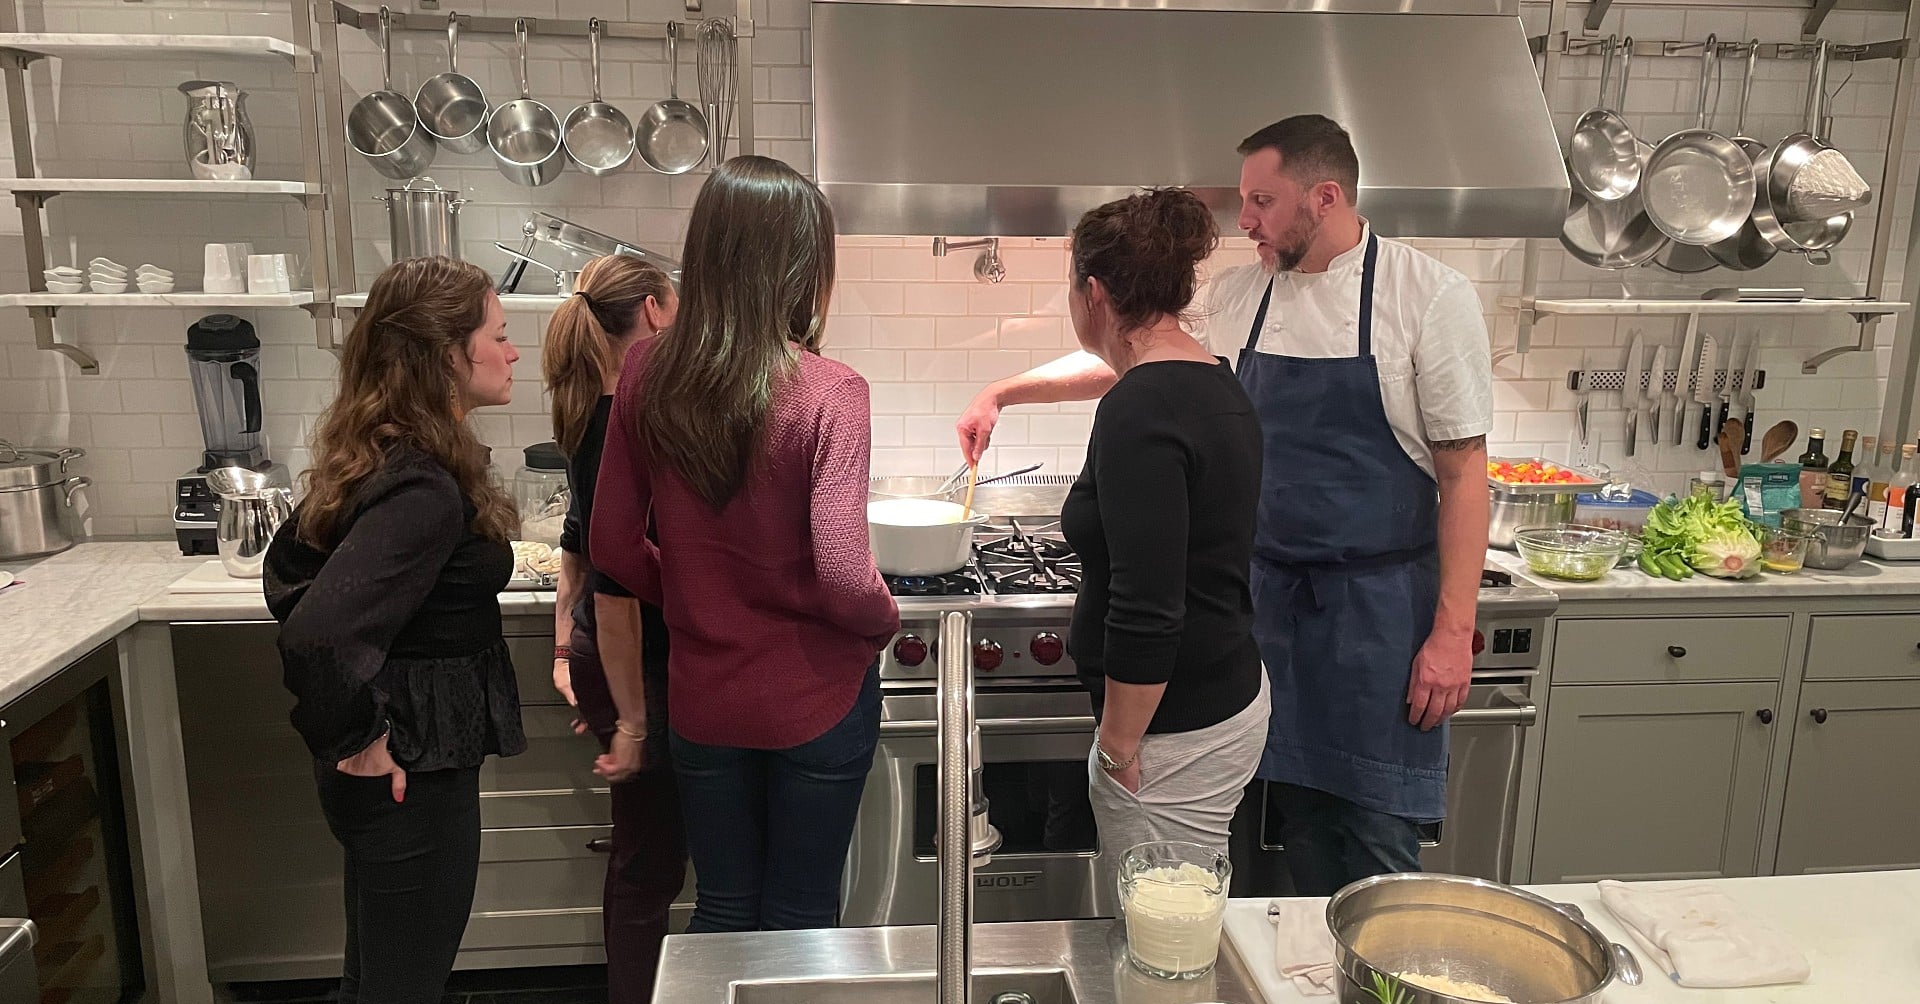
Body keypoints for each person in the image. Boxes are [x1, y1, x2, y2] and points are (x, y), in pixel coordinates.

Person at [957, 115, 1493, 896]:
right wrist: (1007, 390)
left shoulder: (1427, 299)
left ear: (1326, 196)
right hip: (1250, 612)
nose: (1245, 222)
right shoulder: (1246, 293)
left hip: (1367, 626)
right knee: (1218, 867)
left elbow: (1465, 473)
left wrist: (1452, 631)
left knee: (1357, 852)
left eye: (1262, 203)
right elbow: (1142, 350)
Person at [592, 156, 901, 932]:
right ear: (801, 268)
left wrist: (697, 596)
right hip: (817, 696)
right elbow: (842, 573)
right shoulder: (833, 392)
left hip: (705, 697)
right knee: (800, 916)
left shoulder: (645, 372)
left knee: (724, 905)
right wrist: (882, 620)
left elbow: (613, 544)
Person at [265, 256, 527, 1004]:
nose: (513, 353)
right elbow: (313, 632)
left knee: (373, 983)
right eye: (500, 335)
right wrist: (362, 736)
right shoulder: (423, 487)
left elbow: (286, 569)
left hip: (392, 765)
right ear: (449, 354)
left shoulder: (385, 454)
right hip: (410, 767)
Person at [1058, 188, 1269, 860]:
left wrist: (1117, 749)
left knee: (1162, 937)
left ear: (1094, 293)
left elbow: (1149, 606)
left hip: (1174, 729)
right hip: (1220, 694)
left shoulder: (1139, 409)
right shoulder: (1214, 380)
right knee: (1185, 912)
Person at [542, 253, 682, 1004]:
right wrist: (630, 717)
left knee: (648, 854)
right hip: (643, 667)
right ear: (656, 314)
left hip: (618, 657)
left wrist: (566, 647)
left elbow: (575, 543)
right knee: (650, 860)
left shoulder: (595, 412)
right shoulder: (629, 417)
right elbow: (622, 582)